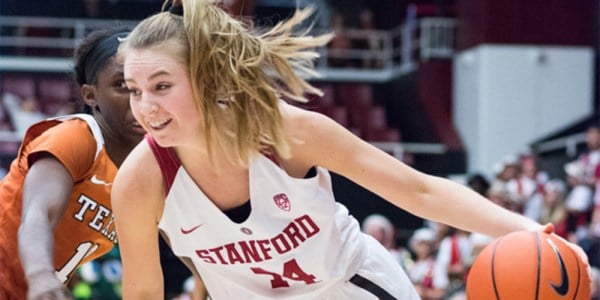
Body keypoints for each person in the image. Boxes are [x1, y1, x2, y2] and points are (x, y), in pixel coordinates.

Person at [112, 1, 591, 299]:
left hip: (352, 290)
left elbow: (420, 192)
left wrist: (534, 231)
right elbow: (144, 291)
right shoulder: (139, 182)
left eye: (161, 85)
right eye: (133, 89)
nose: (145, 107)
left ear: (206, 78)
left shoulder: (286, 133)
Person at [0, 27, 146, 299]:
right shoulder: (77, 137)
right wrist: (41, 277)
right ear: (91, 95)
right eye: (121, 86)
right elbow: (38, 214)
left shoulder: (150, 169)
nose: (138, 98)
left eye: (149, 84)